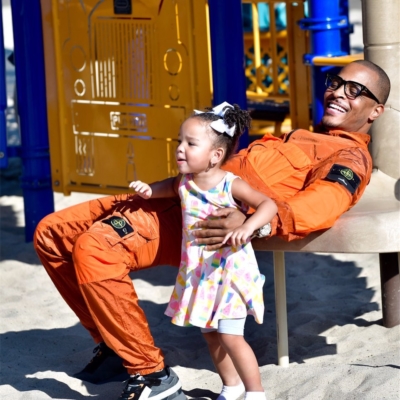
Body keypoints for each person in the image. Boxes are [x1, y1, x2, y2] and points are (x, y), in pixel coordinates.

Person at [34, 60, 390, 400]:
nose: (340, 93)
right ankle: (114, 343)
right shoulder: (297, 136)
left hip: (198, 223)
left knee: (96, 248)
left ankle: (151, 376)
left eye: (356, 90)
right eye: (336, 83)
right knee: (52, 232)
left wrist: (255, 224)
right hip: (178, 191)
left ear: (375, 111)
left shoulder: (347, 157)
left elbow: (323, 202)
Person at [130, 102, 278, 400]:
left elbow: (268, 205)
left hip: (231, 274)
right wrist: (147, 190)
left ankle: (256, 392)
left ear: (215, 156)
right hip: (201, 275)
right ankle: (232, 386)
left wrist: (248, 226)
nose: (180, 149)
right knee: (210, 336)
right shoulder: (185, 184)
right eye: (180, 142)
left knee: (231, 336)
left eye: (190, 143)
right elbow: (166, 187)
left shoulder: (229, 184)